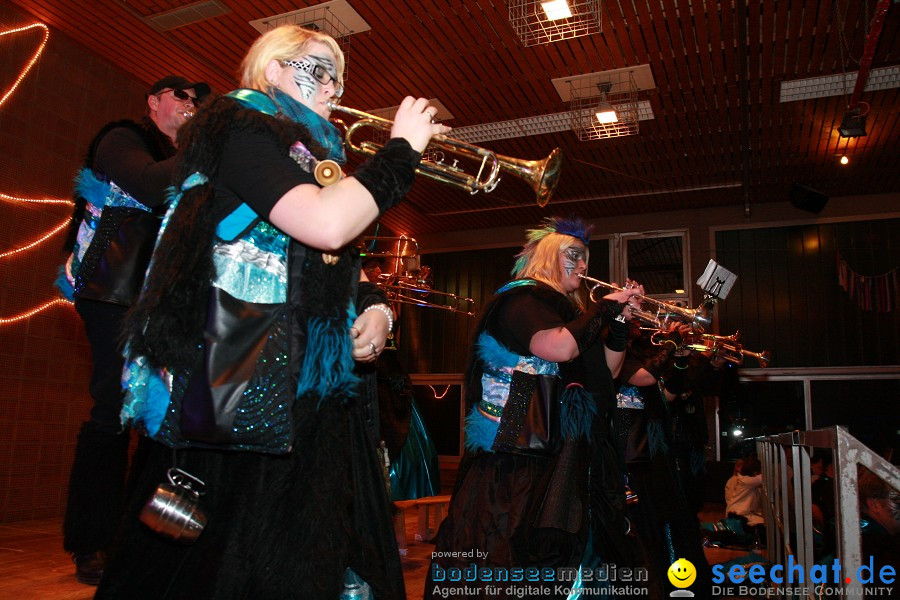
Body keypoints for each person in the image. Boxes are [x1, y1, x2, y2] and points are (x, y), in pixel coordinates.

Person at [94, 25, 447, 599]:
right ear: (274, 68)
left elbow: (335, 254)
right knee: (222, 562)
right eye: (318, 68)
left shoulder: (310, 155)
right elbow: (324, 222)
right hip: (236, 374)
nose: (333, 84)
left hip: (304, 385)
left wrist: (377, 305)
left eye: (338, 72)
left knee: (296, 553)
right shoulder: (238, 122)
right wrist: (401, 153)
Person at [426, 216, 642, 600]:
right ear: (547, 256)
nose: (584, 265)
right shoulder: (522, 299)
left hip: (559, 454)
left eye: (586, 257)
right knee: (510, 549)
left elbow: (605, 374)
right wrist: (603, 311)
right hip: (518, 458)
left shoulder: (570, 317)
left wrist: (621, 325)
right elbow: (556, 348)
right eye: (574, 255)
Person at [58, 75, 209, 585]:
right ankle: (92, 540)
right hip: (111, 293)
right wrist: (210, 146)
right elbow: (147, 183)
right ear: (153, 102)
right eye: (181, 96)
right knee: (112, 405)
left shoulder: (188, 161)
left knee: (163, 411)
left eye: (197, 101)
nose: (190, 105)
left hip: (161, 300)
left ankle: (139, 535)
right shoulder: (121, 137)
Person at [613, 324, 714, 599]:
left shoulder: (648, 348)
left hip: (653, 450)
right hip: (625, 451)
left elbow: (669, 393)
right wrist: (672, 343)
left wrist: (683, 359)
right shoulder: (614, 346)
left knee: (667, 522)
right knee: (636, 528)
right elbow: (644, 377)